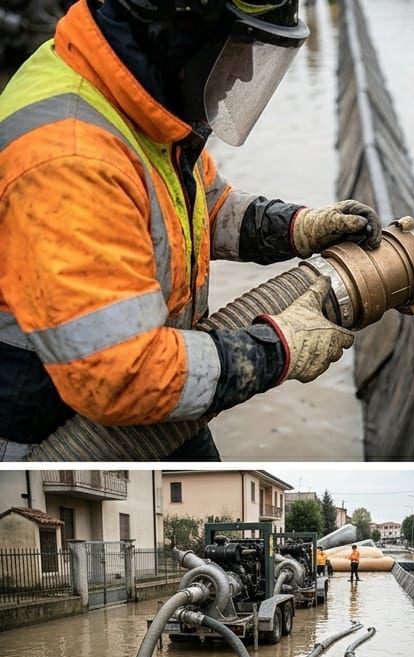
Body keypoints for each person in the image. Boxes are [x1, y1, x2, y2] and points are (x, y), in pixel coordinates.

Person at [0, 0, 383, 460]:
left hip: (158, 401)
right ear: (181, 33)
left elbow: (207, 206)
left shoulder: (139, 103)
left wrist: (299, 227)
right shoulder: (70, 158)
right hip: (65, 436)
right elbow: (123, 374)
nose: (243, 74)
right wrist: (274, 349)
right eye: (240, 48)